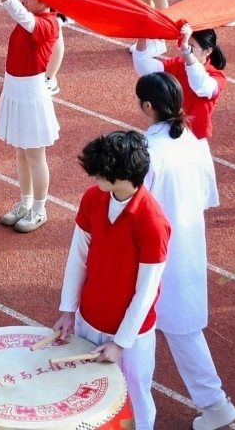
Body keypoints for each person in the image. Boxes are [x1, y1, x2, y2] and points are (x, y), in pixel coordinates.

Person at [131, 73, 235, 430]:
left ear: (148, 107)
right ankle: (213, 402)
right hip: (189, 244)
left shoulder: (147, 150)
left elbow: (136, 206)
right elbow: (209, 196)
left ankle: (130, 407)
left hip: (155, 251)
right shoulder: (193, 140)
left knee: (135, 325)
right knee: (181, 328)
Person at [51, 131, 170, 430]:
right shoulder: (93, 198)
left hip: (131, 337)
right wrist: (68, 310)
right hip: (88, 321)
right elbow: (77, 256)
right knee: (84, 395)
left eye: (99, 173)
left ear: (119, 175)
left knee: (135, 402)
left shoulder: (152, 222)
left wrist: (120, 343)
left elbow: (146, 291)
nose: (93, 178)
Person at [0, 0, 60, 232]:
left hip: (31, 94)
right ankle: (25, 202)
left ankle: (40, 209)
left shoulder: (49, 23)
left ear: (43, 2)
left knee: (35, 154)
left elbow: (21, 14)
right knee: (21, 152)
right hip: (15, 89)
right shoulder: (37, 10)